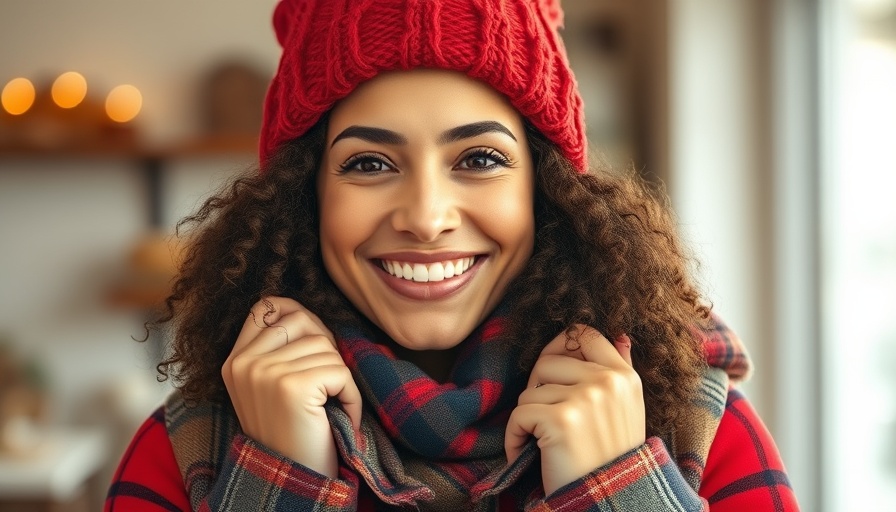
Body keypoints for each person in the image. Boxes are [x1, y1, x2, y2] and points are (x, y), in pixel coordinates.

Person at [105, 0, 799, 510]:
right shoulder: (189, 448)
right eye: (370, 163)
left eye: (480, 158)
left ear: (546, 190)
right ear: (303, 196)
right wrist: (281, 479)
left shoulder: (696, 428)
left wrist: (617, 490)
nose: (427, 218)